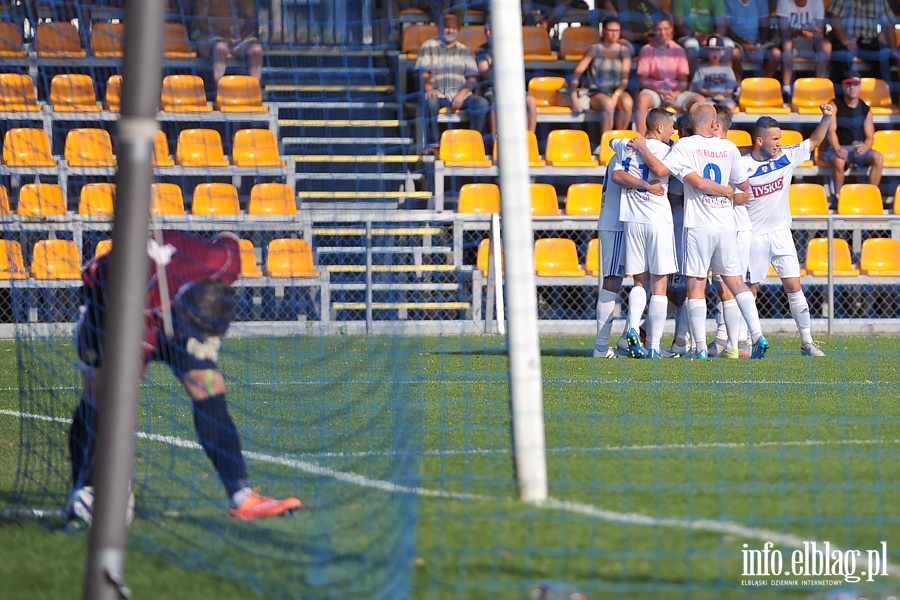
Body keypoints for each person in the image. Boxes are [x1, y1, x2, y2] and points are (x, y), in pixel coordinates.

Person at [67, 230, 301, 525]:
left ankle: (241, 497)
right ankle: (85, 491)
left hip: (171, 294)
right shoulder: (142, 311)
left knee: (209, 384)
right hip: (111, 307)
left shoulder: (225, 263)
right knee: (103, 396)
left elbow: (228, 237)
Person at [636, 102, 769, 359]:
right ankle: (756, 335)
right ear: (714, 124)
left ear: (692, 124)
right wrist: (727, 190)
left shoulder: (685, 146)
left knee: (695, 284)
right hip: (727, 224)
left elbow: (662, 170)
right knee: (735, 283)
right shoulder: (729, 147)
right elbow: (743, 184)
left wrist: (643, 147)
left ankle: (699, 348)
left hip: (698, 224)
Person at [741, 108, 834, 356]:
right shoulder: (741, 166)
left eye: (780, 138)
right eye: (774, 139)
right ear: (759, 140)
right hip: (753, 237)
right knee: (750, 290)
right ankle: (750, 341)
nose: (779, 143)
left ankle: (807, 341)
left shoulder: (786, 157)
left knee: (794, 286)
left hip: (781, 234)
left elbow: (814, 141)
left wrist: (826, 118)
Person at [611, 108, 675, 359]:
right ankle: (655, 347)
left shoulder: (626, 146)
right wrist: (649, 186)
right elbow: (662, 172)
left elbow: (616, 175)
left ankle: (632, 329)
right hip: (657, 219)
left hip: (632, 219)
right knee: (660, 285)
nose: (673, 132)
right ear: (660, 128)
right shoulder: (667, 151)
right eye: (671, 127)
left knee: (639, 281)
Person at [707, 104, 751, 358]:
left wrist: (730, 196)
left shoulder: (727, 152)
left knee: (730, 282)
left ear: (717, 124)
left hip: (734, 224)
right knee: (723, 283)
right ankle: (727, 338)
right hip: (727, 223)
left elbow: (744, 191)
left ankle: (741, 339)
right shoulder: (727, 151)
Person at [416, 13, 489, 153]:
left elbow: (472, 78)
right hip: (438, 93)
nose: (450, 31)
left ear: (458, 30)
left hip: (459, 94)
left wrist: (461, 95)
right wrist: (429, 89)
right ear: (440, 28)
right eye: (447, 27)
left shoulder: (464, 50)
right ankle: (435, 144)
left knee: (482, 104)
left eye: (454, 28)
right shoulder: (429, 46)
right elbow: (423, 72)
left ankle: (473, 143)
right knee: (430, 102)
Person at [634, 16, 705, 135]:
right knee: (642, 100)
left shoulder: (679, 50)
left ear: (671, 30)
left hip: (675, 92)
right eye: (659, 29)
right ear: (654, 30)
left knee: (700, 101)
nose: (662, 32)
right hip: (655, 91)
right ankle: (642, 140)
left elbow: (683, 81)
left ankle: (699, 138)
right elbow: (643, 80)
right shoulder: (646, 50)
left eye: (666, 29)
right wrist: (661, 91)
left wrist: (675, 94)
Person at [568, 16, 635, 133]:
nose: (614, 34)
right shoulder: (594, 49)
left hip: (617, 91)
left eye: (617, 31)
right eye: (611, 30)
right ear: (603, 31)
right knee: (608, 103)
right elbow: (576, 75)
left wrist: (615, 95)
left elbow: (624, 79)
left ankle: (619, 138)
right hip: (596, 92)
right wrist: (573, 96)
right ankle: (606, 141)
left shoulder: (624, 51)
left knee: (627, 102)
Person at [821, 75, 883, 198]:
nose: (852, 88)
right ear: (843, 87)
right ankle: (839, 196)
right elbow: (831, 131)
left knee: (878, 158)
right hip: (838, 147)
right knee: (839, 161)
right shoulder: (835, 105)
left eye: (855, 84)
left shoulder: (865, 109)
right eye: (848, 84)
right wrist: (838, 149)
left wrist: (865, 147)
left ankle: (871, 195)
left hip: (857, 147)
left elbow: (870, 136)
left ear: (860, 86)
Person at [476, 20, 538, 135]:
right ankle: (495, 141)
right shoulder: (481, 50)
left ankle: (530, 138)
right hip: (492, 88)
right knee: (495, 104)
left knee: (531, 101)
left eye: (491, 30)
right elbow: (485, 73)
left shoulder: (511, 48)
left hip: (511, 86)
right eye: (486, 31)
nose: (488, 33)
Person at [826, 0, 900, 92]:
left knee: (886, 56)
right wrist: (845, 41)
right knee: (841, 56)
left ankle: (868, 91)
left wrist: (893, 51)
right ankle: (843, 99)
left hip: (869, 41)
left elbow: (888, 25)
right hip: (844, 40)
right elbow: (834, 17)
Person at [193, 0, 264, 84]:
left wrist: (241, 36)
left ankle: (255, 90)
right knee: (220, 49)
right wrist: (223, 35)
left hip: (240, 38)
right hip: (212, 36)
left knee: (256, 50)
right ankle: (220, 92)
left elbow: (252, 19)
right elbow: (200, 21)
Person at [776, 0, 831, 102]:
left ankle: (819, 87)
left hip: (811, 43)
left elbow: (820, 31)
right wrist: (799, 32)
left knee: (827, 46)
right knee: (787, 43)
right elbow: (783, 32)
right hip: (790, 43)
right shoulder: (784, 2)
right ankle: (786, 89)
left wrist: (816, 31)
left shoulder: (817, 2)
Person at [724, 0, 781, 82]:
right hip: (736, 40)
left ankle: (761, 86)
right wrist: (745, 45)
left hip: (757, 41)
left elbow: (765, 27)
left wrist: (757, 46)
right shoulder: (729, 2)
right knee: (734, 53)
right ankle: (738, 88)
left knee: (776, 54)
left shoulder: (761, 2)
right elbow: (727, 29)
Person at [672, 0, 732, 75]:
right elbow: (679, 25)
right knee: (692, 45)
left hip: (710, 36)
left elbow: (722, 25)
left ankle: (726, 81)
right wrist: (696, 35)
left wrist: (711, 38)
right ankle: (695, 80)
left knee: (728, 44)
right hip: (688, 36)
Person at [596, 0, 672, 54]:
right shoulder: (611, 2)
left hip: (657, 36)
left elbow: (664, 6)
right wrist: (642, 36)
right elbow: (616, 31)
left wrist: (666, 32)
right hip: (631, 42)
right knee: (628, 50)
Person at [690, 37, 738, 112]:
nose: (714, 53)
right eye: (711, 50)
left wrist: (722, 95)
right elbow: (698, 87)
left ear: (722, 52)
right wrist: (713, 95)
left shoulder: (727, 69)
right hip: (708, 97)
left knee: (730, 107)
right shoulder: (702, 69)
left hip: (725, 98)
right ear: (707, 52)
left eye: (717, 50)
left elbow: (730, 89)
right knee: (709, 107)